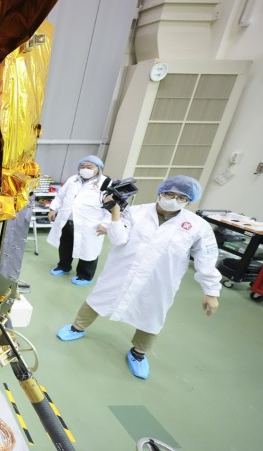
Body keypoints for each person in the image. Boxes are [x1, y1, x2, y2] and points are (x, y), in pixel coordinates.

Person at [56, 175, 221, 379]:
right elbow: (118, 239)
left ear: (188, 200)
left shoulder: (197, 226)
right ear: (160, 192)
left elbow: (207, 258)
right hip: (122, 271)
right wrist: (115, 212)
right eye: (170, 194)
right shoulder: (136, 212)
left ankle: (138, 353)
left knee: (152, 315)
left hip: (160, 281)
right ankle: (77, 328)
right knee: (99, 298)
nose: (174, 199)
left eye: (181, 197)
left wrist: (211, 291)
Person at [47, 155, 111, 285]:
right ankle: (64, 266)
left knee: (88, 250)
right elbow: (60, 196)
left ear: (98, 169)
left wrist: (105, 224)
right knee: (65, 246)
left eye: (89, 167)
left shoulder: (106, 183)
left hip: (90, 225)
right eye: (83, 167)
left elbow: (111, 207)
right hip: (67, 220)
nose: (85, 169)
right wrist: (53, 208)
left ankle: (85, 275)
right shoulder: (73, 179)